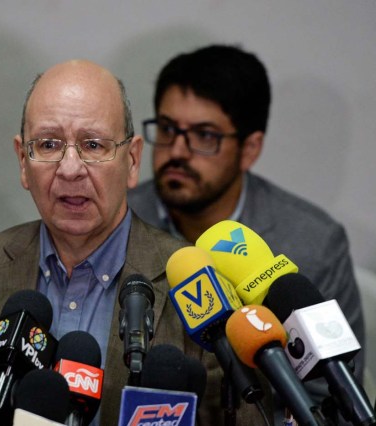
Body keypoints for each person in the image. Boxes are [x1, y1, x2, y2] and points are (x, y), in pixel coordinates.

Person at [0, 59, 267, 425]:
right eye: (49, 144)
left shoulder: (202, 288)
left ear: (132, 161)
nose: (70, 168)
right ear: (23, 161)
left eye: (94, 145)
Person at [127, 44, 365, 423]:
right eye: (169, 129)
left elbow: (329, 396)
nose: (178, 151)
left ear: (250, 149)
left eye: (204, 136)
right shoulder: (120, 219)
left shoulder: (315, 243)